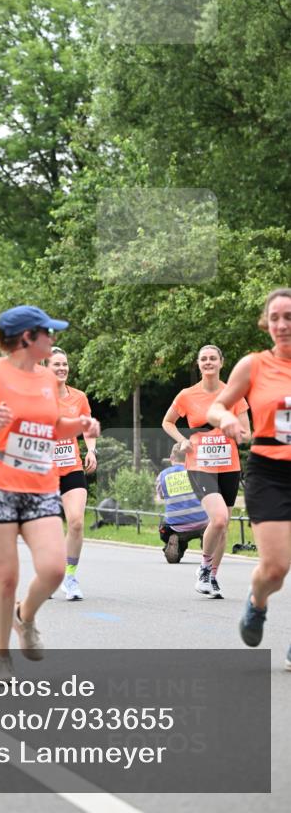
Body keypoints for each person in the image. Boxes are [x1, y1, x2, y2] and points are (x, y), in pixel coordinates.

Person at [0, 305, 100, 678]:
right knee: (6, 578)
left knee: (54, 569)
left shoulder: (45, 379)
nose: (52, 339)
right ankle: (1, 656)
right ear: (27, 338)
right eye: (47, 333)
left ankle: (25, 615)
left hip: (39, 487)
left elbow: (53, 428)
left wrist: (81, 425)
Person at [207, 288, 291, 671]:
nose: (282, 324)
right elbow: (217, 404)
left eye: (288, 316)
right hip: (270, 470)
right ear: (266, 323)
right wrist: (225, 418)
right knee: (275, 568)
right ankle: (257, 603)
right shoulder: (254, 365)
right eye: (275, 317)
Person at [162, 344, 250, 598]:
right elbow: (167, 421)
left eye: (213, 358)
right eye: (204, 359)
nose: (208, 362)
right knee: (219, 518)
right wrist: (182, 440)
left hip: (229, 466)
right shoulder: (187, 395)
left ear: (221, 363)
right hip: (199, 465)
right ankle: (203, 568)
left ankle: (212, 576)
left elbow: (246, 433)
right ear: (199, 365)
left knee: (223, 526)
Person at [47, 346, 97, 601]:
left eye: (64, 364)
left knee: (76, 521)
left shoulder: (78, 397)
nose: (62, 368)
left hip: (71, 466)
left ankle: (70, 576)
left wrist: (91, 450)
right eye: (56, 364)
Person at [156, 443, 208, 563]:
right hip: (202, 522)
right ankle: (207, 540)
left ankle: (177, 543)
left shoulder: (163, 475)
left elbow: (162, 496)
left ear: (171, 457)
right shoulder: (198, 472)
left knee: (163, 529)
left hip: (176, 525)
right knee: (209, 524)